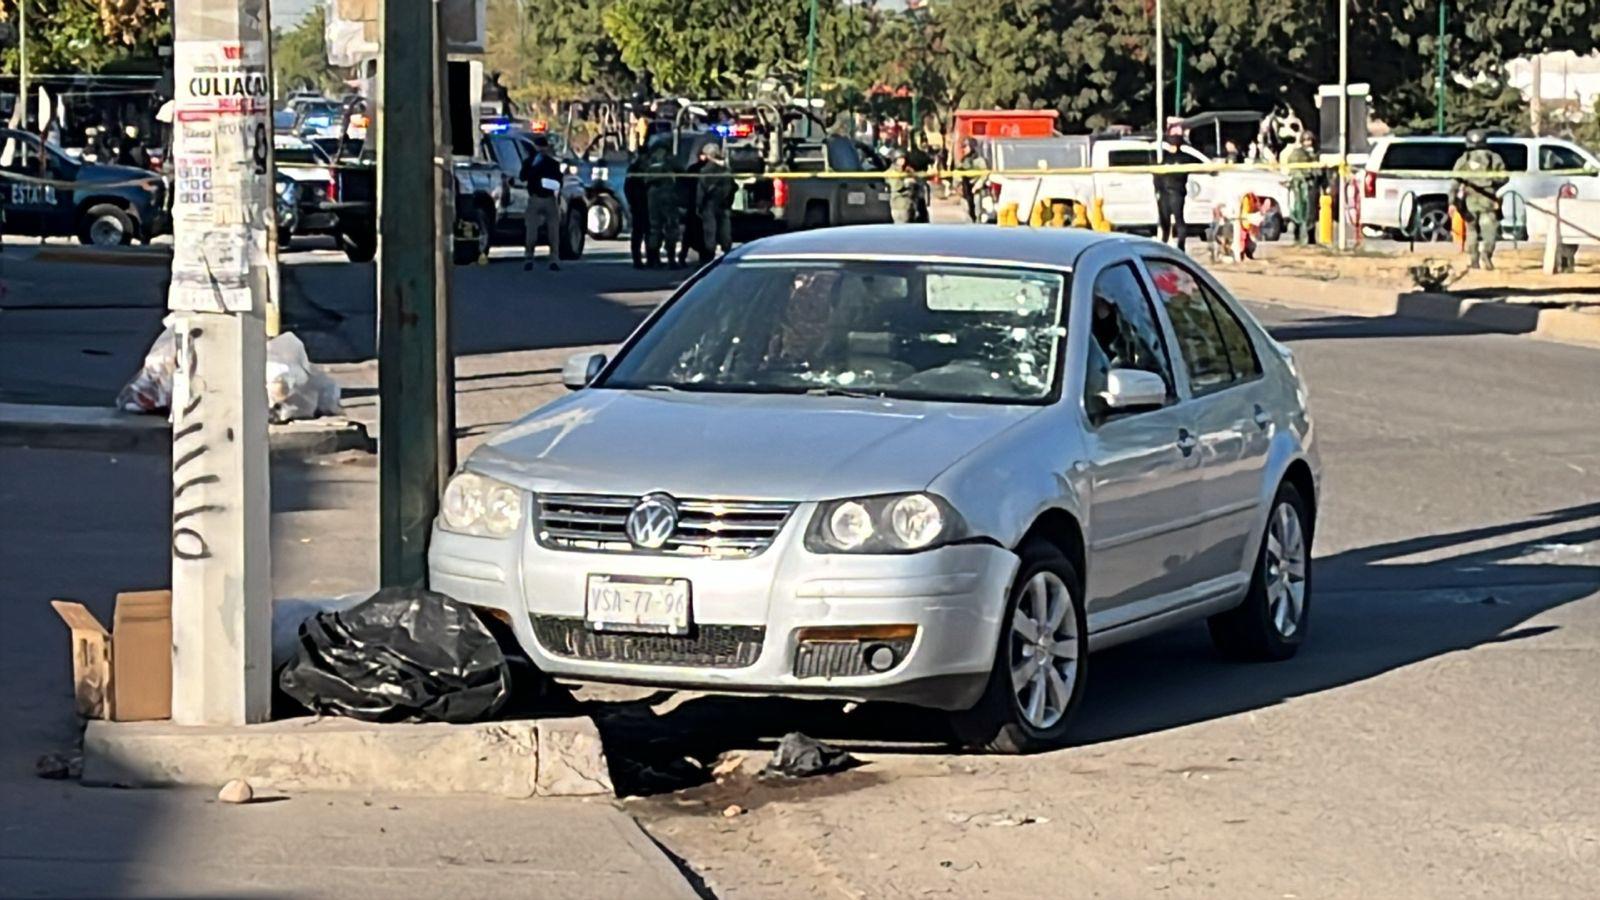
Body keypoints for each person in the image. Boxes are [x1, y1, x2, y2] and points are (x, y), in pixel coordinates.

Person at [1452, 128, 1508, 270]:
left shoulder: (1463, 159)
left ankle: (1473, 259)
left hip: (1469, 200)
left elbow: (1455, 181)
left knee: (1471, 231)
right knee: (1489, 230)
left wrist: (1452, 201)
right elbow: (1504, 178)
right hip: (1488, 199)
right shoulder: (1494, 157)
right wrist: (1492, 184)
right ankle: (1486, 254)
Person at [520, 135, 564, 271]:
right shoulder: (529, 162)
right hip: (535, 197)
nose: (541, 150)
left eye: (542, 147)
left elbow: (559, 182)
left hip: (549, 199)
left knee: (553, 231)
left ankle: (553, 259)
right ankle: (529, 257)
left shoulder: (552, 164)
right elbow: (522, 176)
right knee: (532, 231)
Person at [639, 143, 682, 268]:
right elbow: (681, 170)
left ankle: (653, 258)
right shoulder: (670, 161)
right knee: (671, 226)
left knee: (654, 228)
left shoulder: (648, 163)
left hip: (652, 196)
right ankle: (671, 259)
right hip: (668, 194)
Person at [695, 143, 735, 263]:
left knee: (710, 232)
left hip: (710, 205)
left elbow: (701, 191)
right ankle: (727, 254)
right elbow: (733, 188)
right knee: (725, 232)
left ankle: (708, 258)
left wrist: (699, 206)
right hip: (724, 205)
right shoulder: (727, 169)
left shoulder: (706, 170)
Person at [1280, 131, 1321, 245]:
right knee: (1298, 211)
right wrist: (1303, 176)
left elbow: (1319, 171)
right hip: (1299, 186)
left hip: (1312, 186)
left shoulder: (1316, 154)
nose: (1309, 142)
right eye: (1306, 140)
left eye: (1310, 140)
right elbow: (1293, 169)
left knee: (1311, 213)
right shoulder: (1297, 153)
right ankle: (1296, 235)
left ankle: (1311, 238)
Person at [1152, 130, 1189, 250]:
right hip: (1164, 193)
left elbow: (1183, 176)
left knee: (1179, 219)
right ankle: (1164, 242)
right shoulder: (1165, 157)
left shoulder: (1183, 158)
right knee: (1164, 220)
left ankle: (1181, 245)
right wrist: (1157, 189)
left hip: (1176, 192)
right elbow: (1157, 175)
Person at [623, 148, 651, 269]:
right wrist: (631, 202)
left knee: (650, 232)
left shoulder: (650, 168)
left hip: (649, 204)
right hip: (638, 204)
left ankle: (651, 258)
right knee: (638, 233)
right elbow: (627, 187)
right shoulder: (634, 169)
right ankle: (637, 259)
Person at [957, 139, 985, 222]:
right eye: (963, 147)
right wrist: (958, 185)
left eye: (966, 147)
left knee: (977, 211)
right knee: (967, 213)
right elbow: (958, 174)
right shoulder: (963, 161)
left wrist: (978, 185)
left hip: (976, 189)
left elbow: (985, 174)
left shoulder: (979, 160)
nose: (963, 149)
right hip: (966, 190)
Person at [889, 151, 917, 224]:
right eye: (900, 159)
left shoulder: (907, 170)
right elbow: (895, 186)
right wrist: (906, 182)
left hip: (908, 204)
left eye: (903, 158)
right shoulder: (892, 171)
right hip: (898, 205)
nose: (903, 161)